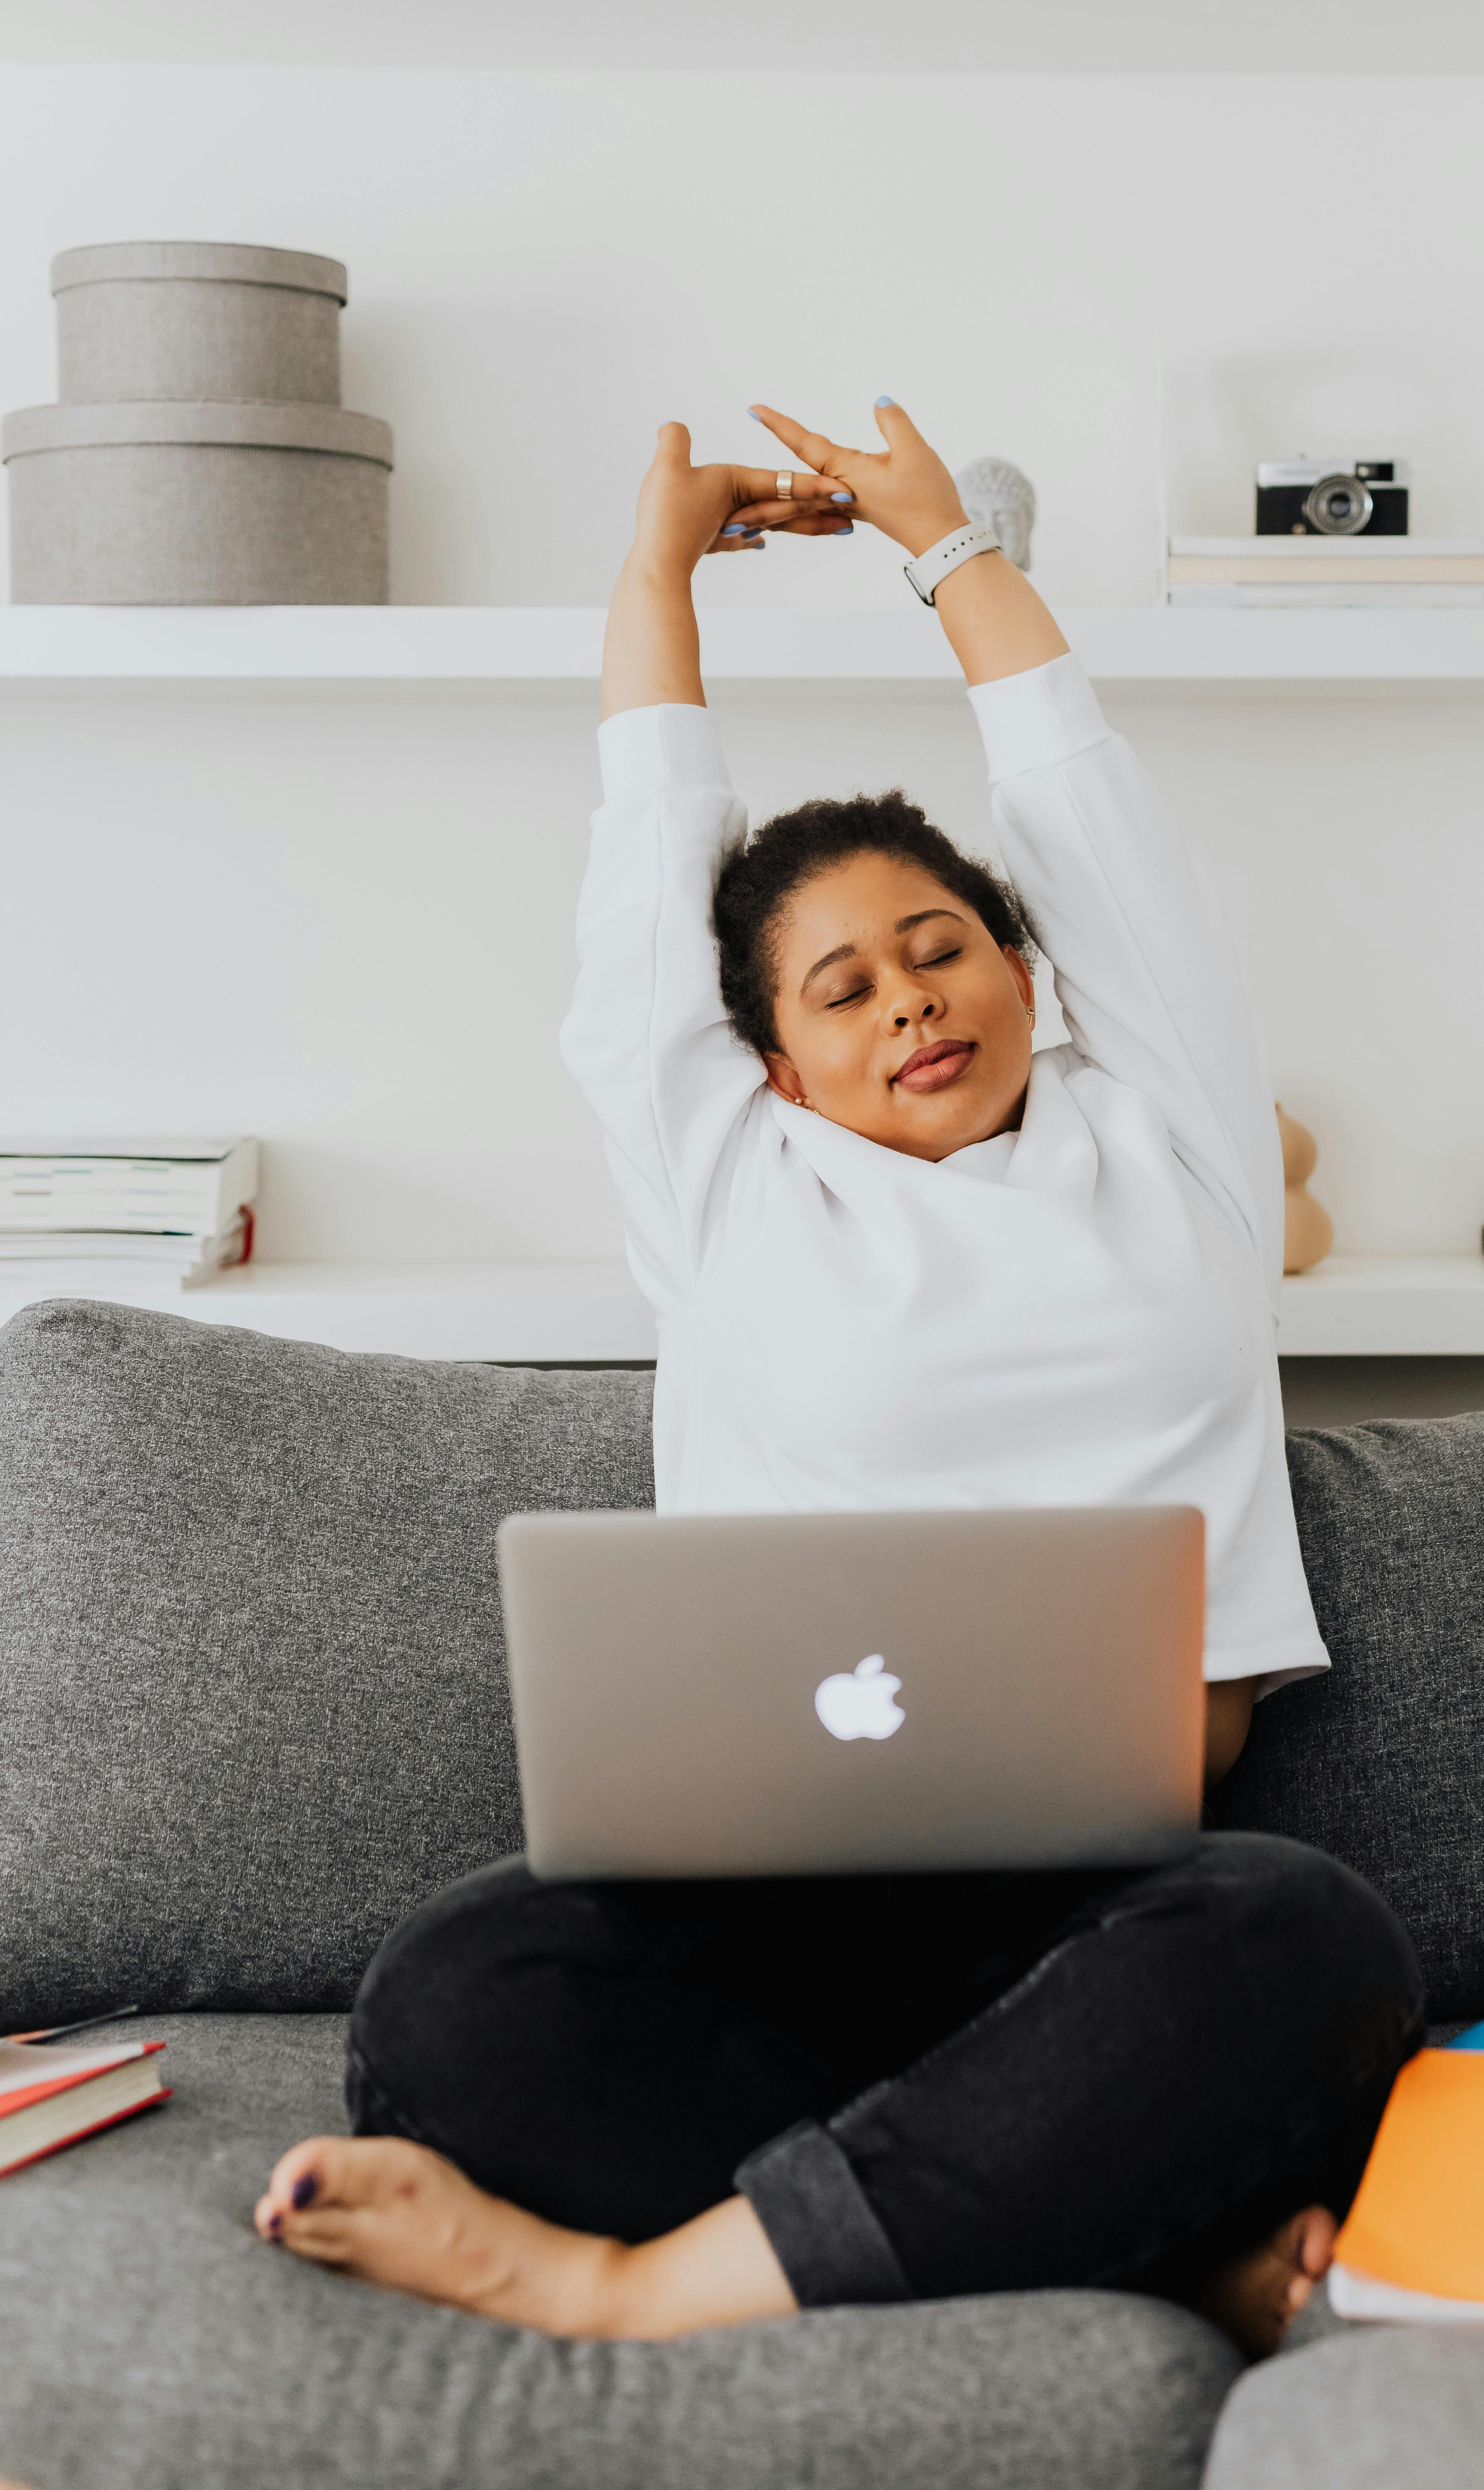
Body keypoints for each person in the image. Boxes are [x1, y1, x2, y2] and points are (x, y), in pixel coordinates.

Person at [256, 400, 1421, 2354]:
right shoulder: (730, 1189)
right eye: (845, 987)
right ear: (776, 1070)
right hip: (767, 1925)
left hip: (1108, 1908)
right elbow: (647, 874)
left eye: (940, 947)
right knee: (464, 1991)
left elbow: (1091, 817)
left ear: (1024, 972)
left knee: (1306, 1939)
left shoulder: (1186, 1150)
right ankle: (1119, 2228)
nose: (913, 1001)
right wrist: (652, 579)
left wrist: (947, 549)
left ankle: (631, 2289)